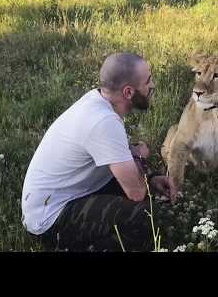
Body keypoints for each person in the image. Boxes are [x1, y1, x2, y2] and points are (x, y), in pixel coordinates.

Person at [21, 52, 171, 252]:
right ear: (128, 92)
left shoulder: (98, 101)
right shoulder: (103, 122)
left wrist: (150, 179)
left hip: (58, 198)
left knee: (143, 196)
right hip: (49, 220)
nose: (152, 85)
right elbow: (136, 193)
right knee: (146, 219)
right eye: (148, 81)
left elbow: (118, 158)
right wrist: (139, 156)